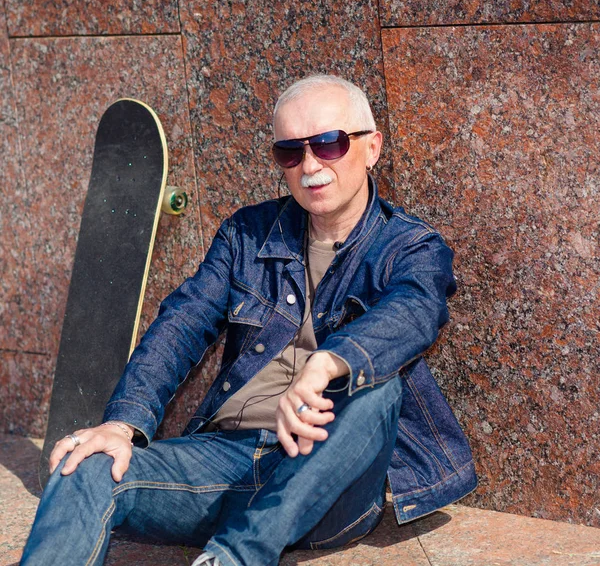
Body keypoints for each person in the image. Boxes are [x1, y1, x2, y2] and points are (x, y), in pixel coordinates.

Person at [21, 74, 477, 566]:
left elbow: (415, 310)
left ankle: (235, 558)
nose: (309, 166)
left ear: (371, 148)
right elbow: (182, 322)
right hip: (226, 462)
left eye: (328, 144)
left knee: (377, 383)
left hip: (326, 483)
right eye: (290, 152)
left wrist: (327, 365)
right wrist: (122, 423)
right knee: (88, 466)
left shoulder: (410, 246)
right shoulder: (247, 234)